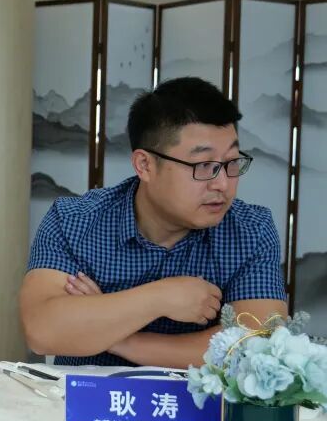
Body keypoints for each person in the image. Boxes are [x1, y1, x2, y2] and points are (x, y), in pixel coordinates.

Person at [19, 77, 287, 368]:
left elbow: (257, 346)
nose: (222, 183)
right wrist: (162, 297)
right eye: (204, 166)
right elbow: (42, 331)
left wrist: (119, 338)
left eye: (232, 162)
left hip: (196, 399)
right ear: (145, 165)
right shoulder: (74, 221)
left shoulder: (251, 230)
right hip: (85, 396)